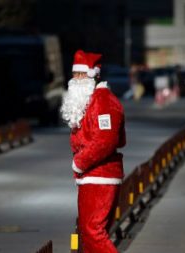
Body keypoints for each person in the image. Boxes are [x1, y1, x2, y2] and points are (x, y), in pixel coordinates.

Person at [61, 50, 126, 253]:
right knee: (89, 235)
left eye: (81, 74)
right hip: (92, 175)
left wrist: (80, 161)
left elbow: (106, 140)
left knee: (92, 232)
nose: (76, 79)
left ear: (93, 75)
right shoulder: (92, 100)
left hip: (100, 176)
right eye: (74, 74)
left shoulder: (103, 101)